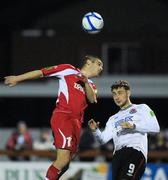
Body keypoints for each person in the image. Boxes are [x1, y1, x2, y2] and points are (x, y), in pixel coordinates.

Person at [4, 55, 103, 180]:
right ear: (89, 62)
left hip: (77, 123)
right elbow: (41, 72)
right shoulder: (68, 69)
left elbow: (92, 99)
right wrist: (17, 78)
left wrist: (86, 81)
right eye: (99, 64)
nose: (101, 68)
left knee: (66, 163)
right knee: (63, 159)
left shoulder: (91, 85)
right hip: (64, 116)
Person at [88, 80, 160, 180]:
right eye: (114, 94)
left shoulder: (142, 108)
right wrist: (96, 131)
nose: (117, 97)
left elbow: (155, 127)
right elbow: (102, 140)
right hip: (117, 155)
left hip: (135, 152)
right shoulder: (113, 118)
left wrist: (133, 126)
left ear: (128, 93)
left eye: (120, 93)